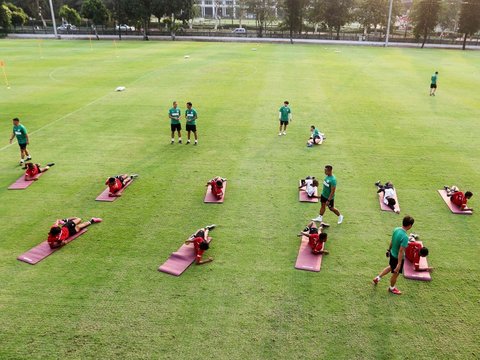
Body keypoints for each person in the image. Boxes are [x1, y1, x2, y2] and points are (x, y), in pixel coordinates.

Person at [372, 215, 415, 295]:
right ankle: (392, 288)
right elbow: (401, 251)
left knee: (391, 266)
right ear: (409, 225)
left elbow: (392, 240)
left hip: (392, 253)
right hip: (397, 258)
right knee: (395, 273)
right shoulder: (405, 237)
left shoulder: (396, 229)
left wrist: (389, 250)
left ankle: (377, 278)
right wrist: (399, 264)